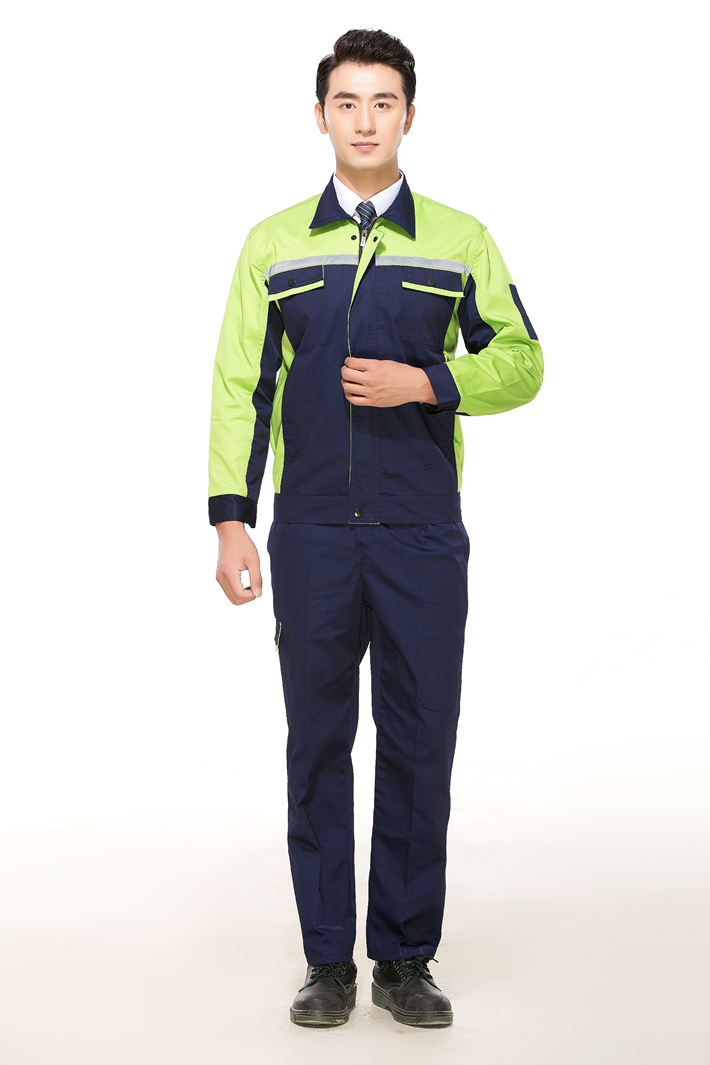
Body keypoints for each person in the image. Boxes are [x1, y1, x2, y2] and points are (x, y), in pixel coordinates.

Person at [208, 28, 543, 1029]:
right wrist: (232, 518)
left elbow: (521, 359)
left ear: (409, 115)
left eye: (382, 102)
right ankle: (326, 960)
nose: (364, 120)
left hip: (420, 533)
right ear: (320, 116)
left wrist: (427, 381)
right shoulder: (274, 244)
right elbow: (240, 387)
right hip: (311, 531)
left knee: (418, 742)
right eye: (346, 103)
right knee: (316, 743)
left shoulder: (458, 239)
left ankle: (402, 956)